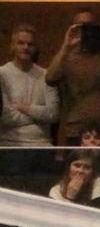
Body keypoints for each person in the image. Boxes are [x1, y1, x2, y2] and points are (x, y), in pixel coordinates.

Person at [43, 11, 100, 144]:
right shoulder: (66, 56)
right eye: (79, 26)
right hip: (76, 131)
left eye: (89, 25)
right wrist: (65, 47)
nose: (85, 30)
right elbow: (50, 79)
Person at [0, 23, 58, 178]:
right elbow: (6, 117)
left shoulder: (47, 75)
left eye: (30, 44)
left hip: (43, 146)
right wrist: (40, 115)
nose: (25, 47)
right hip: (11, 147)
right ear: (12, 46)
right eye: (21, 43)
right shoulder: (2, 74)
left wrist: (24, 108)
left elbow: (53, 114)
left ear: (35, 48)